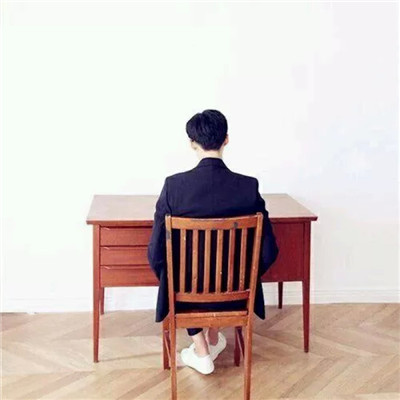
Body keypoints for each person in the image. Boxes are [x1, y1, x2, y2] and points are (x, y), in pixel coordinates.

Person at [147, 109, 279, 375]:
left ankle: (201, 349)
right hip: (235, 293)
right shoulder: (248, 187)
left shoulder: (174, 187)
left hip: (186, 294)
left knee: (179, 273)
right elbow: (268, 251)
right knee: (219, 271)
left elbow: (155, 253)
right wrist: (245, 280)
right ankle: (214, 337)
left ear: (192, 143)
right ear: (226, 139)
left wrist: (171, 280)